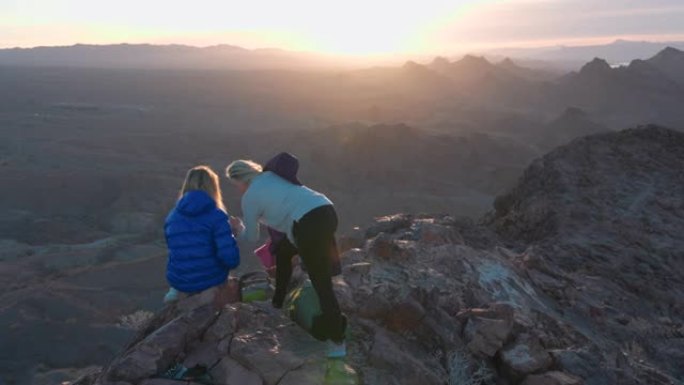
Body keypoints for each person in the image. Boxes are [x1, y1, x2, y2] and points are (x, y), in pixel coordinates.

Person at [226, 159, 347, 358]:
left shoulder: (249, 198)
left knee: (320, 282)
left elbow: (252, 237)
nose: (237, 189)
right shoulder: (272, 176)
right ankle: (278, 301)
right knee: (283, 251)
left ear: (239, 180)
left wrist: (238, 229)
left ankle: (337, 342)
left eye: (235, 184)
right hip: (325, 209)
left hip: (307, 223)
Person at [163, 166, 240, 303]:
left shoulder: (172, 216)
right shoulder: (217, 215)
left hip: (179, 281)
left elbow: (178, 250)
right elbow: (230, 259)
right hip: (209, 281)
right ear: (213, 187)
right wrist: (232, 233)